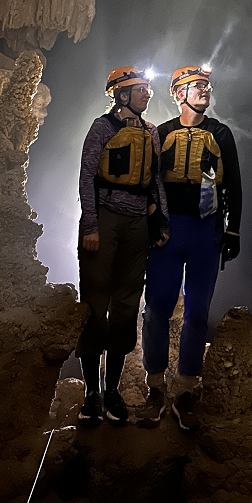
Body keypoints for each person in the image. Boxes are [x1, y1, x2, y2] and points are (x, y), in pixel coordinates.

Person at [138, 65, 242, 431]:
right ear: (178, 94)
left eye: (207, 86)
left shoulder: (220, 133)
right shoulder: (161, 133)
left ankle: (184, 389)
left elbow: (234, 186)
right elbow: (149, 185)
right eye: (196, 86)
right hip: (169, 232)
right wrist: (154, 226)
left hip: (205, 231)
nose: (204, 90)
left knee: (197, 312)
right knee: (157, 310)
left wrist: (233, 232)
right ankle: (154, 387)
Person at [77, 66, 169, 425]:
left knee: (127, 306)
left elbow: (156, 179)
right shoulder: (102, 128)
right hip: (106, 217)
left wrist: (160, 219)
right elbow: (86, 176)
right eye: (141, 89)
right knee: (96, 303)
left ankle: (112, 390)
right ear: (122, 94)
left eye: (148, 89)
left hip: (137, 225)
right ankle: (91, 393)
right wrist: (91, 225)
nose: (148, 94)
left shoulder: (150, 132)